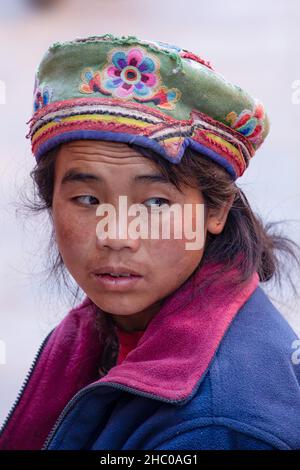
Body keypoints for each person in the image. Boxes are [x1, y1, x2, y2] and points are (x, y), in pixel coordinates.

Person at [0, 33, 299, 450]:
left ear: (215, 210)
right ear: (51, 201)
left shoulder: (216, 425)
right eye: (88, 199)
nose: (116, 236)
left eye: (156, 203)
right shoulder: (100, 330)